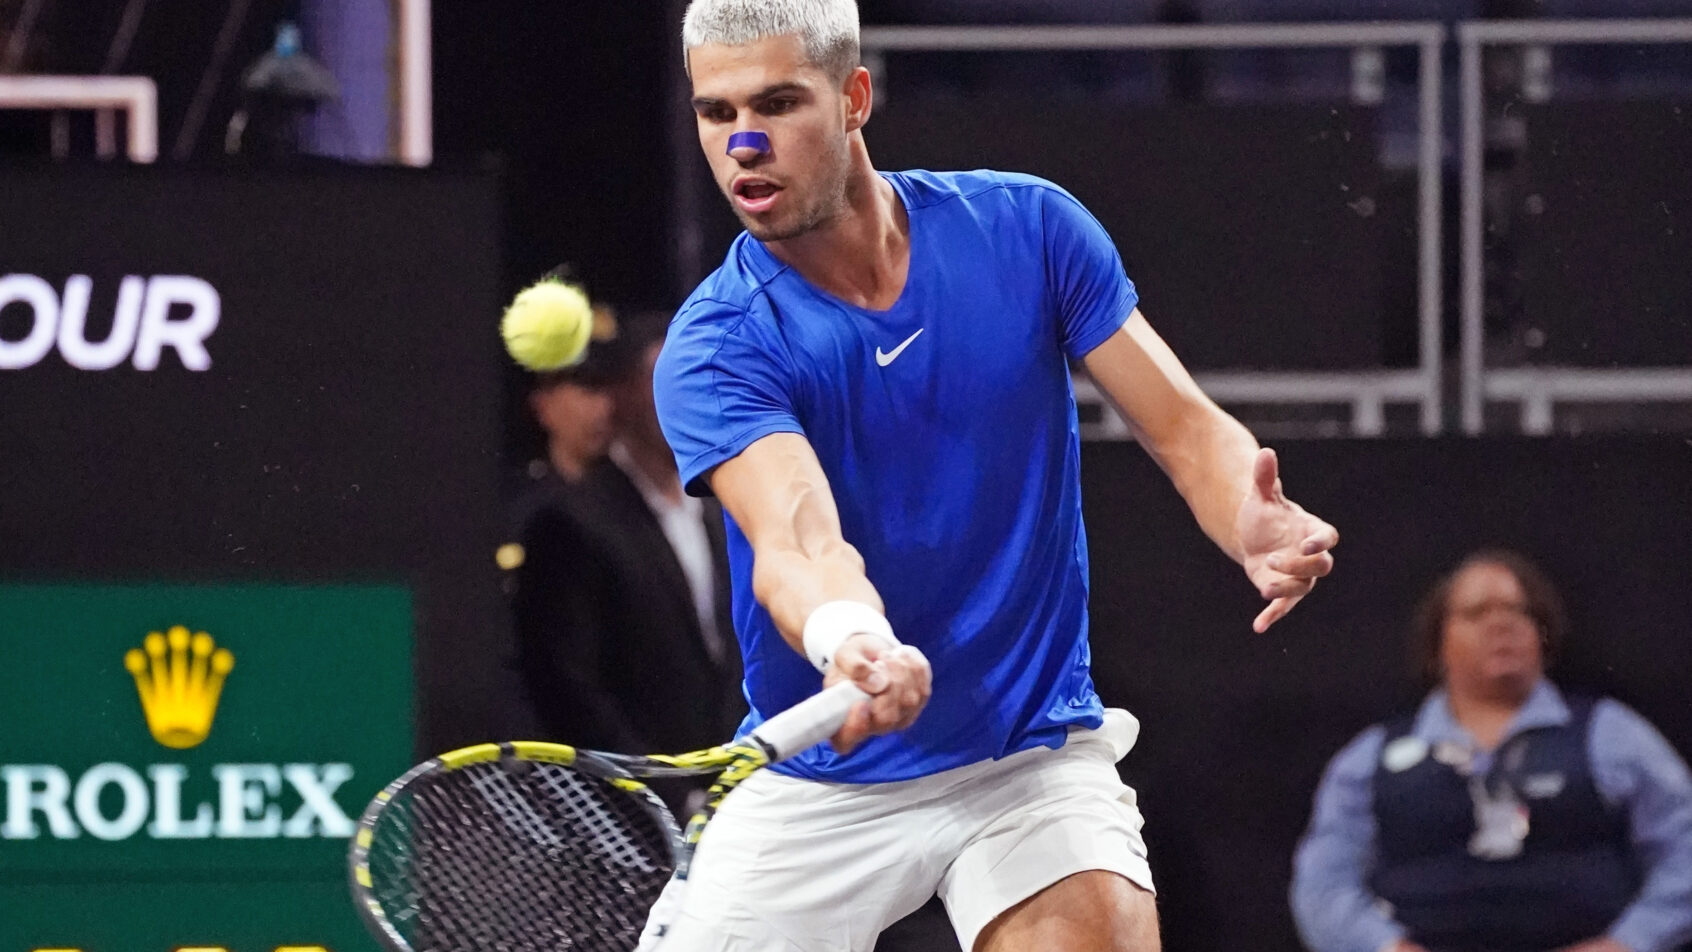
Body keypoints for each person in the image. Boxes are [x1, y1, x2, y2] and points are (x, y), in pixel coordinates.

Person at [642, 1, 1339, 950]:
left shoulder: (1028, 229)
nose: (745, 143)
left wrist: (1250, 522)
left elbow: (1184, 429)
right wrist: (851, 640)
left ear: (854, 98)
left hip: (1026, 755)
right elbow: (797, 540)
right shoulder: (719, 344)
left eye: (776, 103)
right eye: (716, 114)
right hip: (824, 777)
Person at [1291, 550, 1692, 952]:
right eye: (1477, 613)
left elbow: (1684, 849)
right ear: (1438, 642)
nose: (1502, 624)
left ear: (1543, 634)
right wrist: (1385, 948)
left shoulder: (1610, 736)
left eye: (1519, 611)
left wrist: (1626, 943)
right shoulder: (1374, 756)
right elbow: (1323, 884)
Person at [508, 309, 745, 794]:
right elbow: (568, 690)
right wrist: (669, 793)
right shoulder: (570, 520)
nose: (681, 397)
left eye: (693, 376)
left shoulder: (725, 508)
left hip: (735, 798)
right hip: (628, 817)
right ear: (622, 394)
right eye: (662, 379)